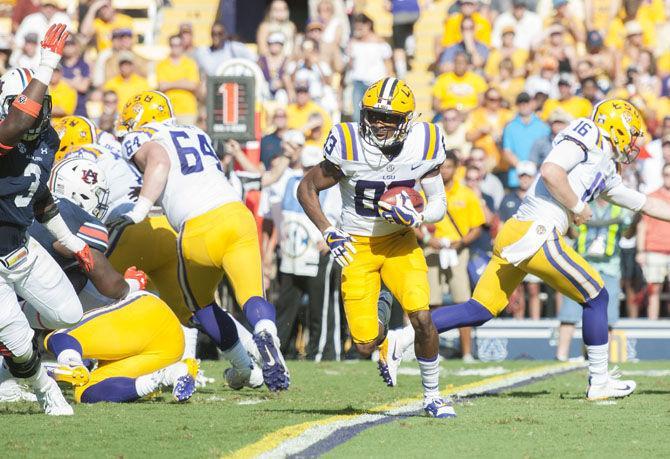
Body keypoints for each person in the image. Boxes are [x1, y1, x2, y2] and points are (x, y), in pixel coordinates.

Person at [401, 99, 670, 400]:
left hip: (521, 232)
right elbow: (552, 170)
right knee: (596, 294)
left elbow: (645, 203)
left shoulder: (605, 167)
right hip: (537, 231)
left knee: (479, 310)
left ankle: (399, 340)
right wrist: (578, 206)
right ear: (615, 126)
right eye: (631, 132)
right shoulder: (589, 133)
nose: (633, 140)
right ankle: (599, 380)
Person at [109, 91, 290, 391]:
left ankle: (244, 368)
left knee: (202, 308)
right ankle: (266, 331)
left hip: (199, 227)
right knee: (251, 296)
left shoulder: (144, 136)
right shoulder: (195, 131)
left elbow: (159, 162)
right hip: (237, 215)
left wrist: (140, 208)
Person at [297, 77, 455, 418]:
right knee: (364, 343)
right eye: (373, 115)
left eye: (390, 118)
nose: (379, 124)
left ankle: (432, 395)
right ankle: (385, 333)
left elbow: (439, 202)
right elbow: (306, 188)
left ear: (407, 120)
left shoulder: (424, 141)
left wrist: (417, 216)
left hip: (399, 240)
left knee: (423, 317)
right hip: (356, 244)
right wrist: (328, 231)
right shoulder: (348, 142)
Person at [0, 24, 93, 416]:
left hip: (20, 245)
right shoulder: (10, 129)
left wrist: (71, 241)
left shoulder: (48, 139)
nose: (39, 110)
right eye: (30, 103)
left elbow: (39, 196)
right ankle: (42, 388)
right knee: (21, 345)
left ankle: (11, 329)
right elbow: (17, 125)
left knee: (69, 315)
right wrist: (47, 63)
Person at [271, 145, 343, 360]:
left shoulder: (333, 187)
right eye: (305, 167)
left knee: (320, 308)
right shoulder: (290, 181)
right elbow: (274, 205)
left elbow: (341, 214)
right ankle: (278, 350)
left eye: (311, 167)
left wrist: (333, 238)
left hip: (317, 254)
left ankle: (322, 352)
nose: (307, 172)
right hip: (292, 256)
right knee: (285, 307)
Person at [421, 151, 485, 362]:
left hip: (458, 250)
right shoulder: (425, 193)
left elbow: (477, 227)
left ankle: (466, 352)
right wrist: (427, 240)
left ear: (457, 168)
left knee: (463, 300)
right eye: (442, 167)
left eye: (449, 166)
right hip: (433, 248)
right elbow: (413, 222)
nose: (445, 171)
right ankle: (433, 351)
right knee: (432, 302)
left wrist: (462, 242)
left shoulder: (467, 194)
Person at [556, 198, 633, 360]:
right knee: (570, 312)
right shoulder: (582, 206)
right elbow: (572, 233)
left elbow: (627, 234)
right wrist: (570, 219)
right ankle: (561, 356)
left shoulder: (619, 209)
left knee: (607, 316)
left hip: (609, 267)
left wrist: (636, 220)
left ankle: (599, 360)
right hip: (581, 265)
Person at [498, 161, 542, 319]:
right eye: (522, 176)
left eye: (528, 176)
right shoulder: (507, 198)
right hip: (514, 248)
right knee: (518, 288)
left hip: (533, 246)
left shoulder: (539, 198)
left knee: (533, 287)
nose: (524, 179)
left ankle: (536, 324)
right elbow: (501, 225)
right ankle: (520, 322)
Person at [636, 163, 670, 320]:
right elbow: (642, 226)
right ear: (662, 176)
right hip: (655, 250)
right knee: (653, 291)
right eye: (667, 175)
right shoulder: (652, 197)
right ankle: (652, 324)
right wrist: (640, 251)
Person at [347, 14, 394, 121]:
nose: (358, 31)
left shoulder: (380, 43)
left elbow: (388, 64)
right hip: (358, 82)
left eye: (360, 28)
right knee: (357, 116)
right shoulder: (354, 43)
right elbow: (351, 65)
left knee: (376, 114)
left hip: (376, 83)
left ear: (368, 25)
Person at [502, 92, 550, 188]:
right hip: (516, 177)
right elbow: (507, 151)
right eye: (520, 103)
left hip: (538, 177)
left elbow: (547, 151)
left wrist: (532, 167)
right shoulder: (510, 127)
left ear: (532, 103)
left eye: (526, 102)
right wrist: (522, 167)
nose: (523, 105)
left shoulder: (543, 126)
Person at [156, 34, 200, 125]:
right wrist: (182, 82)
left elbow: (193, 85)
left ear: (182, 46)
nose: (175, 48)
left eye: (178, 45)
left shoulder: (190, 63)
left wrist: (170, 84)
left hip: (187, 110)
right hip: (168, 111)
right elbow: (162, 86)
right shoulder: (162, 65)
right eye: (173, 45)